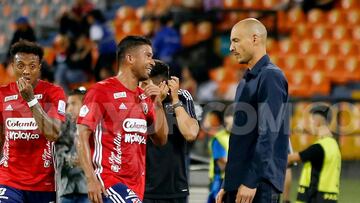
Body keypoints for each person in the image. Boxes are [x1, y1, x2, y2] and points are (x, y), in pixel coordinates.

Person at [77, 36, 169, 203]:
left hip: (136, 185)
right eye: (147, 55)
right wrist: (91, 179)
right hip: (108, 181)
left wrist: (158, 104)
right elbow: (81, 135)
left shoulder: (145, 97)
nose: (152, 62)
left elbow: (161, 139)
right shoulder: (101, 91)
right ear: (130, 58)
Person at [216, 18, 289, 203]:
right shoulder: (247, 80)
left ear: (255, 39)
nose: (231, 47)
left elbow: (268, 134)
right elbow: (241, 138)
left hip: (257, 185)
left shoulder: (271, 76)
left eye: (236, 40)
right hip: (240, 183)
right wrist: (228, 183)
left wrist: (251, 181)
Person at [0, 40, 66, 202]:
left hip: (44, 183)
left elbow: (55, 134)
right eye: (20, 65)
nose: (26, 71)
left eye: (32, 66)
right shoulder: (2, 94)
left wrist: (31, 101)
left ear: (40, 67)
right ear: (12, 67)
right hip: (9, 180)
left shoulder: (54, 93)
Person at [141, 60, 199, 203]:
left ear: (162, 84)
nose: (140, 88)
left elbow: (191, 134)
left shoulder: (182, 97)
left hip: (175, 188)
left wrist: (175, 101)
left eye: (145, 84)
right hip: (142, 188)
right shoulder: (137, 98)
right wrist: (156, 103)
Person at [288, 105, 341, 203]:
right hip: (329, 198)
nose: (308, 126)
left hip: (315, 197)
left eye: (310, 122)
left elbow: (289, 159)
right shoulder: (334, 145)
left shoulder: (318, 148)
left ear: (317, 122)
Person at [55, 87, 89, 203]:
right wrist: (70, 160)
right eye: (67, 105)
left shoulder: (96, 128)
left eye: (73, 104)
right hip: (66, 190)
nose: (68, 109)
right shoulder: (63, 128)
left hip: (88, 190)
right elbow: (57, 154)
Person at [207, 113, 233, 203]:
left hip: (228, 178)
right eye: (227, 123)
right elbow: (221, 162)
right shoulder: (219, 138)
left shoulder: (233, 137)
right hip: (219, 180)